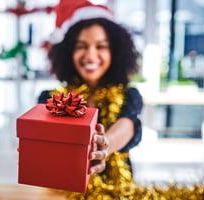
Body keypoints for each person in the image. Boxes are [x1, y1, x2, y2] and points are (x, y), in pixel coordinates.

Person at [38, 0, 143, 198]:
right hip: (62, 193)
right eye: (81, 46)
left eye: (101, 46)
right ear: (68, 52)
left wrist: (105, 144)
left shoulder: (129, 95)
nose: (91, 55)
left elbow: (128, 124)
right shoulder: (50, 98)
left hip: (119, 193)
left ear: (115, 51)